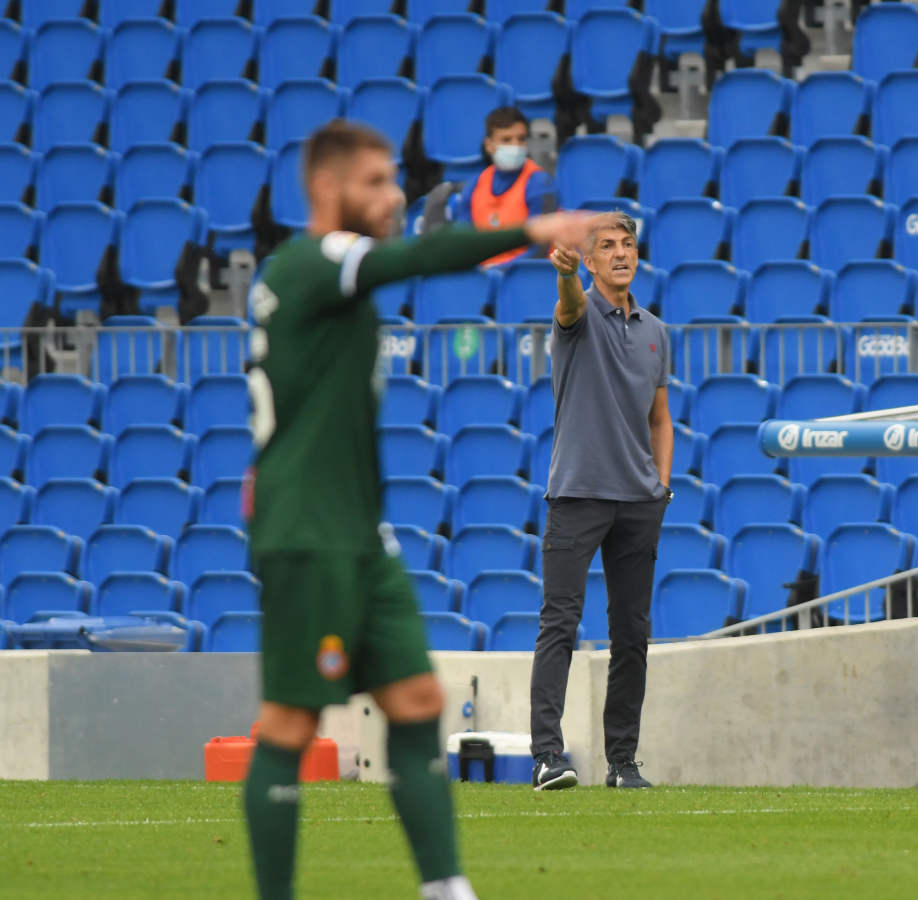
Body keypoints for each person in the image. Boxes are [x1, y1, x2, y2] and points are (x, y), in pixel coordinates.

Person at [241, 119, 595, 900]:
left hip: (358, 533)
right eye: (373, 181)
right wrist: (530, 226)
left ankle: (445, 888)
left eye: (393, 177)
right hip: (311, 531)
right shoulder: (314, 261)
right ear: (326, 191)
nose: (394, 194)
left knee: (417, 699)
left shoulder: (329, 279)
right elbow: (415, 257)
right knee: (291, 725)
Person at [528, 211, 674, 792]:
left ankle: (622, 762)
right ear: (588, 261)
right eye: (607, 246)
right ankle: (547, 757)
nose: (620, 253)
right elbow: (568, 304)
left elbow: (661, 418)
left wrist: (661, 485)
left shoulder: (656, 330)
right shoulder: (577, 312)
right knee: (559, 623)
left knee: (631, 634)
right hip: (577, 495)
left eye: (628, 244)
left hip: (639, 501)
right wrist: (563, 276)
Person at [445, 106, 558, 265]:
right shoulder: (475, 185)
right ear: (489, 145)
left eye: (521, 139)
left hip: (526, 278)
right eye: (506, 140)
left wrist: (497, 271)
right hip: (484, 278)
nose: (515, 146)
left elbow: (540, 250)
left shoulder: (540, 184)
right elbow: (465, 244)